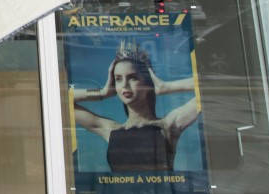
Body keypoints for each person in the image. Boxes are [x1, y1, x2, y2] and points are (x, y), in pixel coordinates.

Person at [71, 39, 198, 172]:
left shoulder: (168, 125)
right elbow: (63, 99)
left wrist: (165, 87)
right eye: (119, 79)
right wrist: (103, 92)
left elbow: (212, 87)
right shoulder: (111, 130)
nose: (124, 85)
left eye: (132, 78)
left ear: (148, 82)